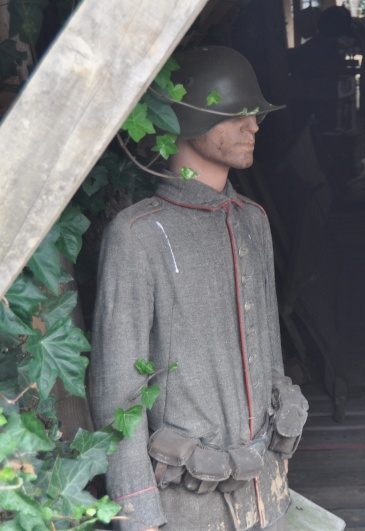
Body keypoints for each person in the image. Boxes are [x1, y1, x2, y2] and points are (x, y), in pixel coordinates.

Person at [89, 46, 308, 531]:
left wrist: (279, 454)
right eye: (237, 115)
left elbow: (270, 351)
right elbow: (117, 390)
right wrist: (139, 511)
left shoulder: (252, 220)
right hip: (187, 508)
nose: (254, 126)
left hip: (264, 491)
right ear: (188, 121)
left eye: (253, 115)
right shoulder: (139, 234)